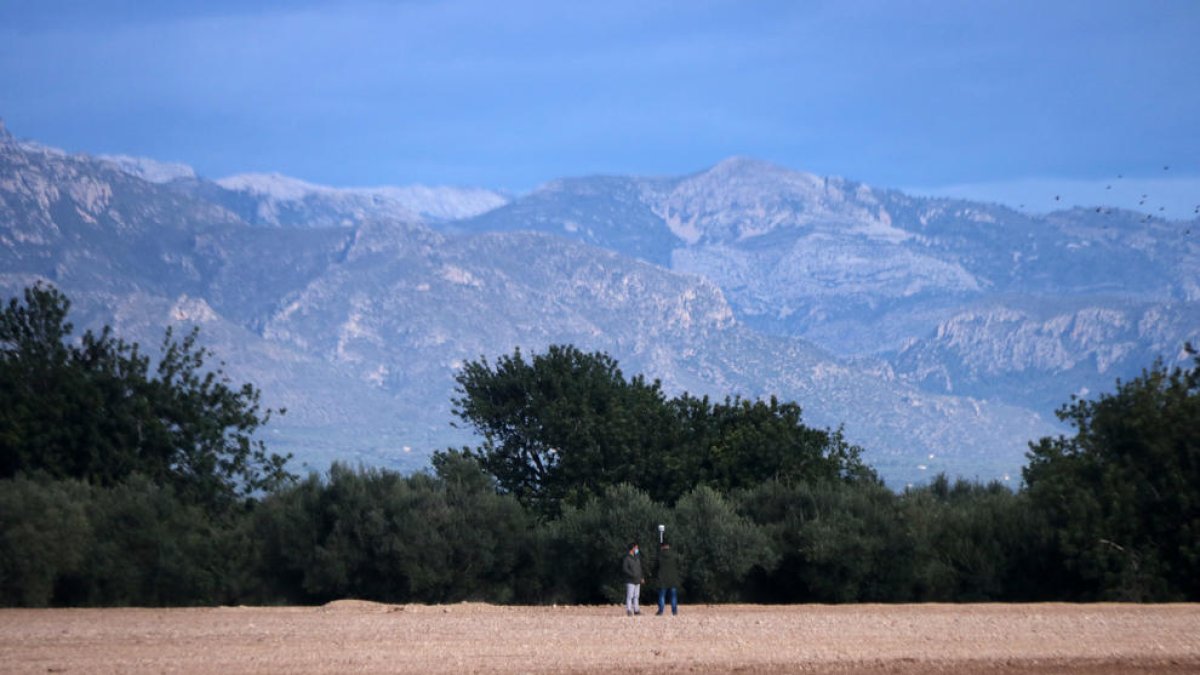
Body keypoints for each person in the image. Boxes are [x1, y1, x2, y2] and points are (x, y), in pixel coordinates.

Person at [653, 541, 681, 616]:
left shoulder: (659, 556)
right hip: (673, 579)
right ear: (668, 546)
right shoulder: (674, 555)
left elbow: (655, 567)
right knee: (673, 596)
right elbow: (679, 564)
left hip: (662, 579)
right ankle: (674, 611)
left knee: (662, 596)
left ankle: (661, 611)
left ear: (662, 546)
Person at [621, 542, 644, 616]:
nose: (637, 549)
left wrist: (641, 577)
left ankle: (636, 610)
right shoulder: (627, 558)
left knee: (636, 596)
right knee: (630, 596)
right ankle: (629, 610)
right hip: (630, 580)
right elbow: (625, 569)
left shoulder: (637, 558)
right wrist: (632, 574)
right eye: (636, 548)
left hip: (637, 580)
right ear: (632, 548)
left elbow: (640, 568)